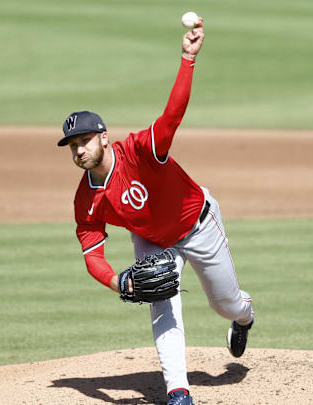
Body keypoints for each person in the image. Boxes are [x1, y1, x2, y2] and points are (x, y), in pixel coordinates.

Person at [58, 19, 254, 405]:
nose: (79, 150)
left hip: (198, 224)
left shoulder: (139, 151)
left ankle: (245, 317)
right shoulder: (86, 198)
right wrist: (118, 283)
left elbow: (172, 115)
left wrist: (187, 58)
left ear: (103, 137)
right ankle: (178, 392)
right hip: (152, 239)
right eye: (72, 146)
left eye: (84, 141)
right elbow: (91, 253)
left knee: (225, 303)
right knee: (161, 303)